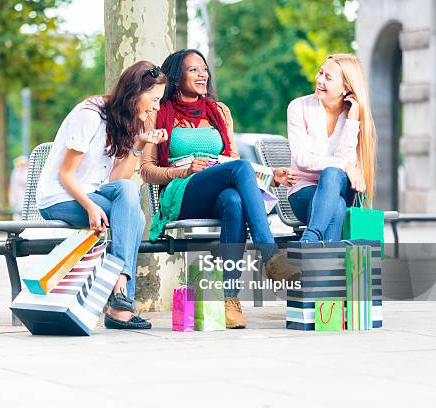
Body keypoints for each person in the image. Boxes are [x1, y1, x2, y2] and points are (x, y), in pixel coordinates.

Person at [140, 49, 300, 329]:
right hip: (183, 191)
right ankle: (270, 255)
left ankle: (229, 299)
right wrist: (184, 171)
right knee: (237, 174)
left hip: (218, 189)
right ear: (177, 77)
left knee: (233, 201)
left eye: (204, 69)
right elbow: (146, 170)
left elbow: (231, 163)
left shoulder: (219, 111)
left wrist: (270, 175)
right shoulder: (159, 111)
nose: (203, 74)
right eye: (193, 70)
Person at [36, 61, 168, 330]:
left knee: (129, 194)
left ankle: (119, 287)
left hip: (91, 193)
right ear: (134, 94)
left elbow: (118, 181)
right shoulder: (90, 115)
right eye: (153, 100)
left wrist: (139, 146)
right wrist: (89, 207)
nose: (156, 107)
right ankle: (121, 302)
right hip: (59, 197)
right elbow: (66, 174)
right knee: (136, 220)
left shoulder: (121, 121)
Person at [287, 53, 376, 242]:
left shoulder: (353, 115)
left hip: (342, 187)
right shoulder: (299, 107)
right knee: (336, 205)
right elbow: (302, 159)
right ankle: (316, 247)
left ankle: (309, 241)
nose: (319, 80)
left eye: (328, 78)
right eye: (320, 73)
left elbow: (346, 163)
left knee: (332, 174)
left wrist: (352, 121)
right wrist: (344, 166)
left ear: (346, 87)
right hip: (304, 192)